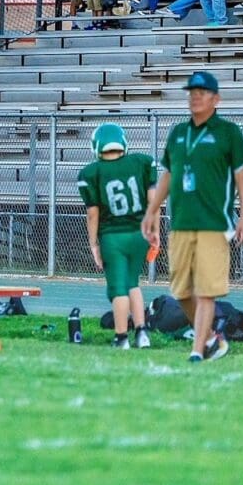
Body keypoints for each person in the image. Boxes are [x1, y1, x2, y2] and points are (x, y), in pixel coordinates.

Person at [141, 71, 243, 363]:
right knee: (180, 291)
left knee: (206, 291)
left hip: (215, 223)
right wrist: (152, 211)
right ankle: (213, 338)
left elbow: (242, 176)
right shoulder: (179, 133)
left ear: (216, 99)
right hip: (181, 222)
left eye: (202, 93)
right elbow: (167, 173)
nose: (195, 97)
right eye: (192, 92)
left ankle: (197, 351)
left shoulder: (228, 132)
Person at [78, 123, 156, 349]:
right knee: (132, 283)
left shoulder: (91, 173)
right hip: (139, 233)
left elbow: (93, 214)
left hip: (113, 236)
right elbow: (154, 202)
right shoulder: (141, 162)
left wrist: (93, 244)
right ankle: (142, 333)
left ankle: (121, 337)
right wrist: (155, 231)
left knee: (117, 288)